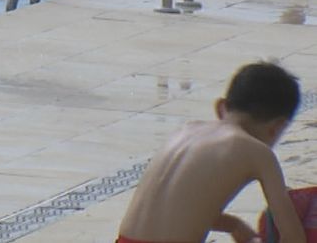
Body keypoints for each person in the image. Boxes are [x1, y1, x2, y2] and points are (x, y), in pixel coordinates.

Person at [115, 62, 304, 243]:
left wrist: (233, 224)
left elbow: (178, 210)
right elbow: (293, 237)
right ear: (278, 126)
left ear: (221, 107)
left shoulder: (185, 132)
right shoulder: (257, 152)